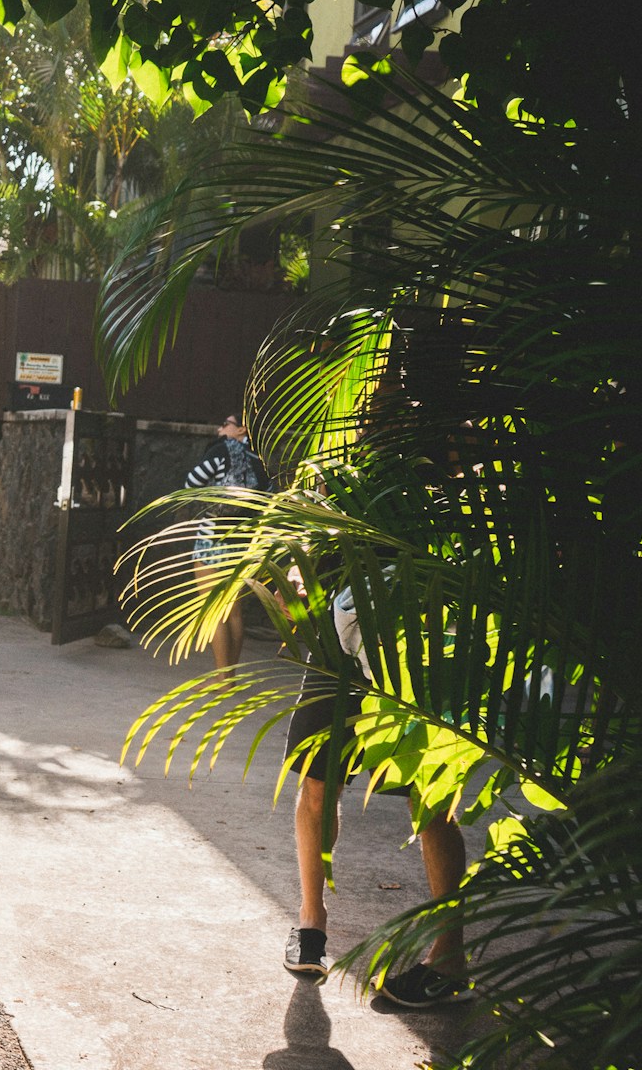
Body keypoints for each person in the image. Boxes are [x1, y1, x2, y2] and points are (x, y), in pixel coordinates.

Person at [283, 588, 471, 1008]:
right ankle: (311, 923)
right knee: (317, 781)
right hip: (338, 627)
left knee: (430, 797)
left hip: (421, 628)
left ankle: (450, 959)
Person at [183, 414, 270, 671]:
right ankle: (229, 676)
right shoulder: (259, 462)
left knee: (212, 610)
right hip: (244, 541)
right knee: (234, 612)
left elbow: (191, 483)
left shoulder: (221, 451)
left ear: (241, 429)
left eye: (225, 424)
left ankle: (221, 679)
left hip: (213, 538)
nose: (220, 428)